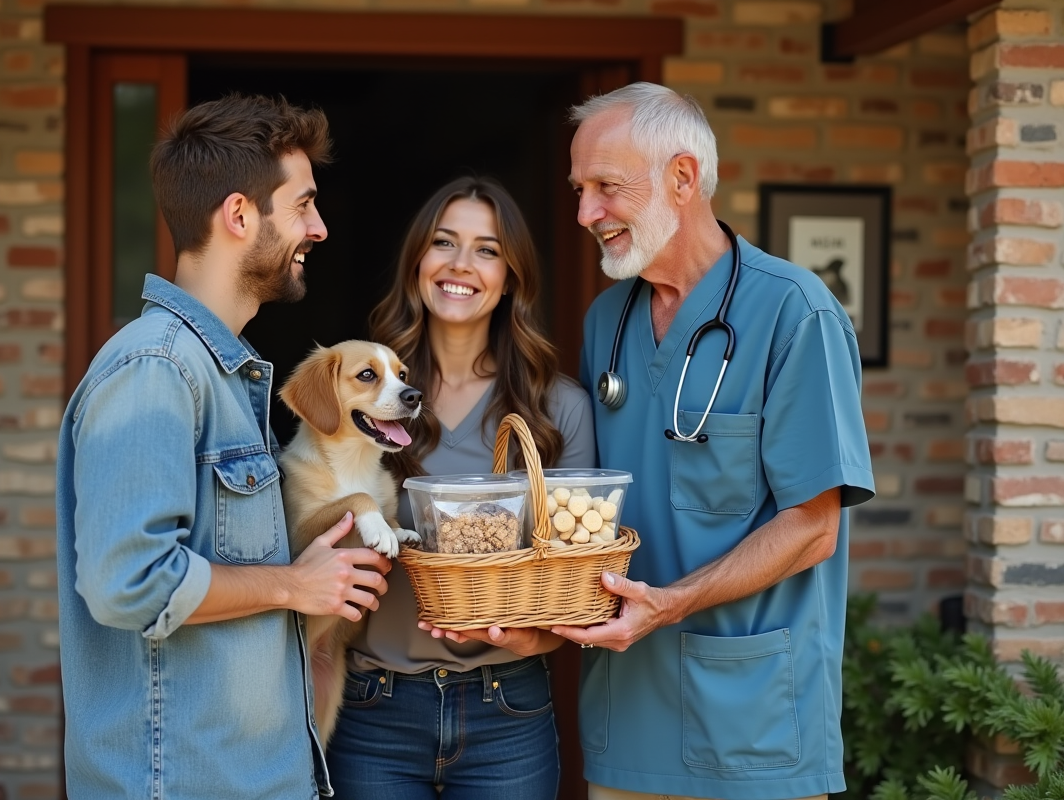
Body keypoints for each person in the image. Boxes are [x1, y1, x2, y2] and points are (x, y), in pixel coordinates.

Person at [56, 94, 394, 800]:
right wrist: (293, 584)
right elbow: (130, 582)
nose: (320, 228)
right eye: (303, 205)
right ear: (240, 216)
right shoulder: (156, 370)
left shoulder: (225, 374)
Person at [552, 82, 875, 800]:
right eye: (580, 190)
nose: (584, 213)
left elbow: (812, 528)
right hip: (623, 722)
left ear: (683, 177)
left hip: (749, 733)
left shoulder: (795, 314)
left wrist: (670, 603)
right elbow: (587, 512)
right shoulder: (608, 320)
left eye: (606, 186)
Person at [324, 176, 596, 799]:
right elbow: (310, 519)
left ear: (512, 277)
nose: (460, 265)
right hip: (373, 707)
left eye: (487, 249)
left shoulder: (560, 409)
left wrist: (535, 635)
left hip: (509, 714)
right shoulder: (360, 391)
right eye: (444, 242)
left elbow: (577, 584)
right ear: (417, 261)